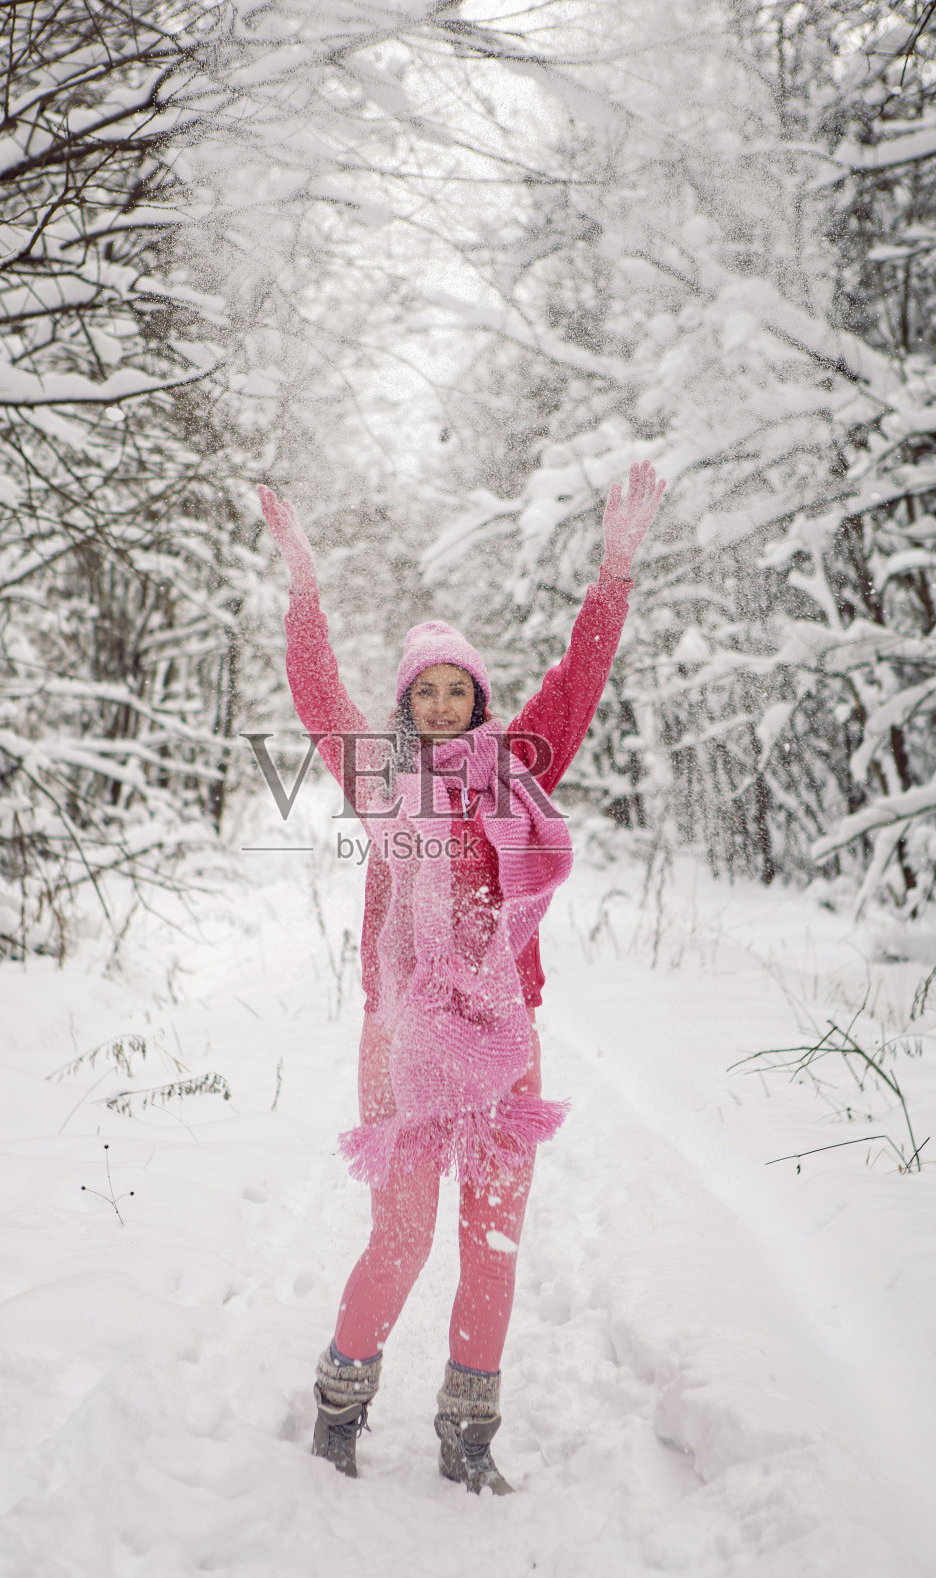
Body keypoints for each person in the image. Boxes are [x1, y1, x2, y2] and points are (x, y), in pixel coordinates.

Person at [257, 462, 664, 1494]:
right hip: (401, 1045)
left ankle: (466, 1430)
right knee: (399, 1238)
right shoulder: (378, 776)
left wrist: (612, 574)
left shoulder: (517, 765)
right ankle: (339, 1406)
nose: (440, 702)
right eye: (423, 689)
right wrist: (302, 583)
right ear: (405, 703)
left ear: (476, 697)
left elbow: (576, 682)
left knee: (491, 1244)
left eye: (456, 688)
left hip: (499, 1044)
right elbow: (316, 690)